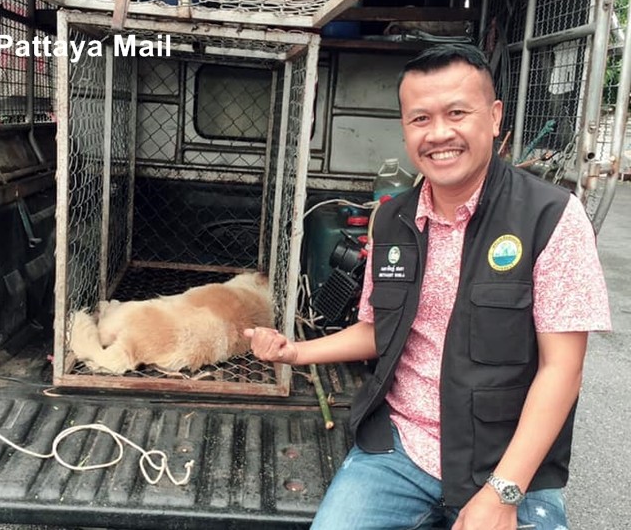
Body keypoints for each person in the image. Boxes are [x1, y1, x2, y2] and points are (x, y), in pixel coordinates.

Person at [244, 44, 611, 530]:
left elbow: (562, 369)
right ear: (404, 128)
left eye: (457, 113)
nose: (438, 134)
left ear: (494, 117)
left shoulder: (551, 217)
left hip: (506, 463)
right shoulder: (392, 219)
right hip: (402, 448)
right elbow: (378, 330)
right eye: (420, 119)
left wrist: (503, 492)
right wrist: (294, 352)